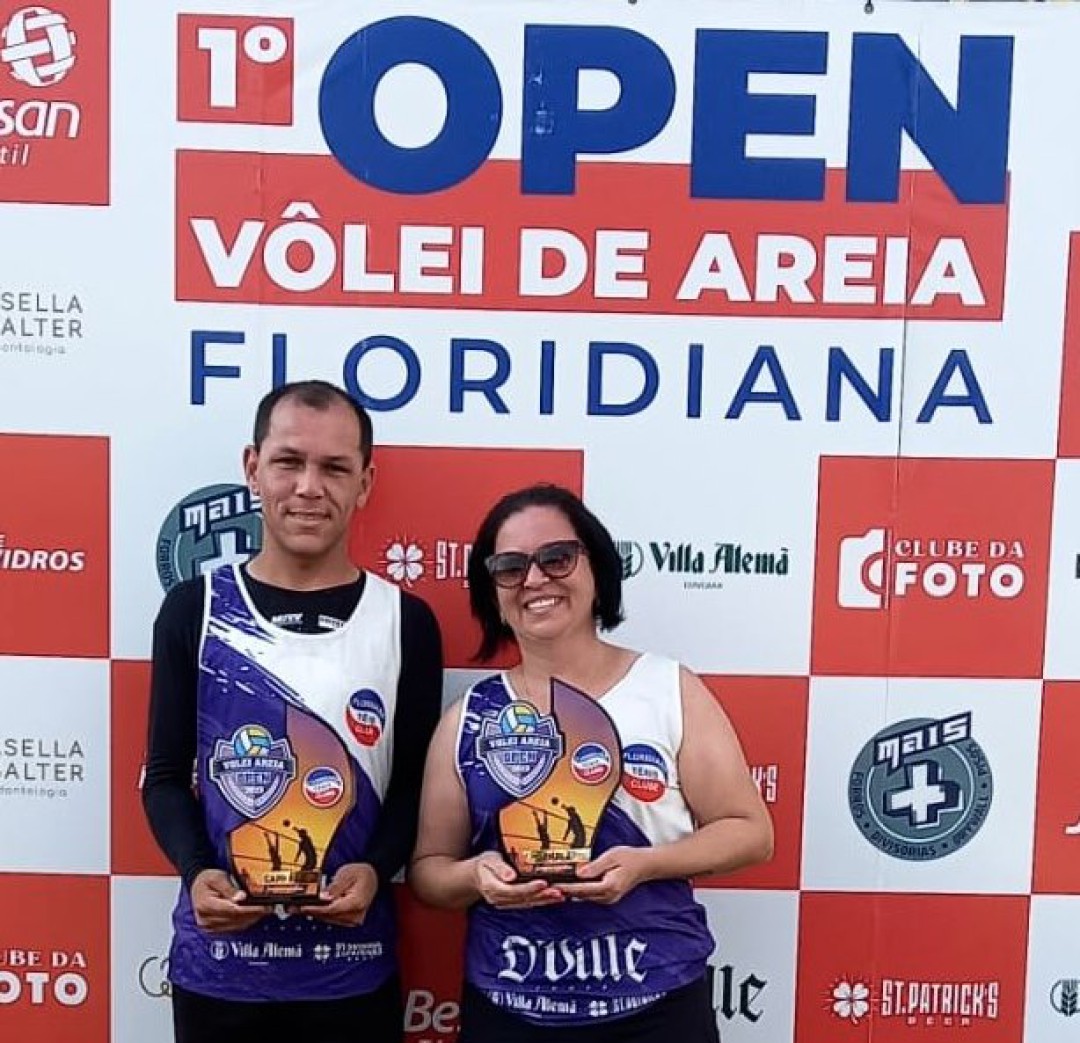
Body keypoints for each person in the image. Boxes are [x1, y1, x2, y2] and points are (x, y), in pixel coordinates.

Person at [410, 484, 772, 1042]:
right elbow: (430, 871)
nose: (534, 579)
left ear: (597, 568)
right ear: (492, 592)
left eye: (557, 558)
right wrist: (476, 875)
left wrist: (646, 864)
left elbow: (750, 832)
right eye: (510, 567)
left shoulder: (668, 689)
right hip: (511, 1010)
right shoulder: (470, 717)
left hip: (656, 1007)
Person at [143, 380, 443, 1043]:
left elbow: (414, 788)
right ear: (253, 468)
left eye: (334, 467)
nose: (309, 486)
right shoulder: (194, 608)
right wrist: (198, 871)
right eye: (289, 462)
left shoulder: (405, 621)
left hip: (350, 969)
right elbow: (163, 777)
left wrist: (376, 867)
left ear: (365, 482)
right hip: (221, 970)